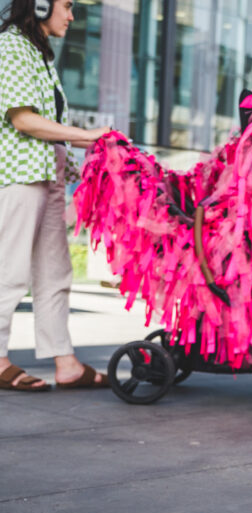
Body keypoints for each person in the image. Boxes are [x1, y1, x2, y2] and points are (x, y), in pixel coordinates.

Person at [0, 0, 111, 392]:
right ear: (41, 5)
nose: (71, 15)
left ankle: (65, 361)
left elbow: (47, 123)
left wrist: (70, 165)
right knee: (9, 271)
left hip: (45, 177)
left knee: (55, 271)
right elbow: (22, 119)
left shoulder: (38, 53)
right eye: (67, 6)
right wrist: (86, 137)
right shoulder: (11, 46)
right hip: (18, 176)